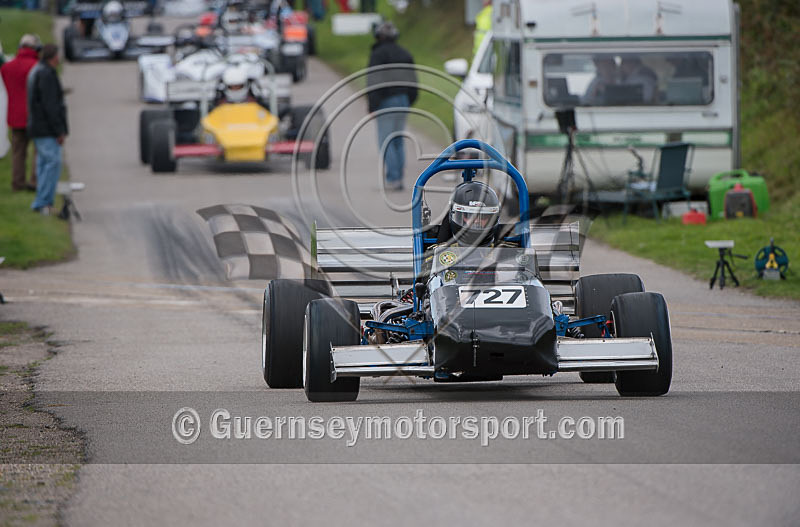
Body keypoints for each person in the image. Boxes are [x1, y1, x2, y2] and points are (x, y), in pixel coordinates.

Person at [366, 21, 418, 191]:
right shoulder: (405, 53)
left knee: (386, 141)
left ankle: (394, 178)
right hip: (403, 100)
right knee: (397, 141)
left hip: (386, 101)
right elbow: (413, 80)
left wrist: (372, 105)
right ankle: (398, 177)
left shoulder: (378, 54)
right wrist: (409, 100)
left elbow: (374, 80)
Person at [27, 43, 68, 215]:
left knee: (43, 164)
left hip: (37, 126)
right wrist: (59, 130)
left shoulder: (37, 70)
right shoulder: (47, 75)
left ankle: (41, 201)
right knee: (53, 163)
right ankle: (44, 202)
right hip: (46, 129)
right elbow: (50, 106)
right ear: (54, 57)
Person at [1, 34, 40, 192]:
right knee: (38, 150)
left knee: (18, 152)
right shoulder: (37, 66)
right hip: (34, 115)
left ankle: (17, 183)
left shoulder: (7, 68)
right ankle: (35, 181)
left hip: (15, 115)